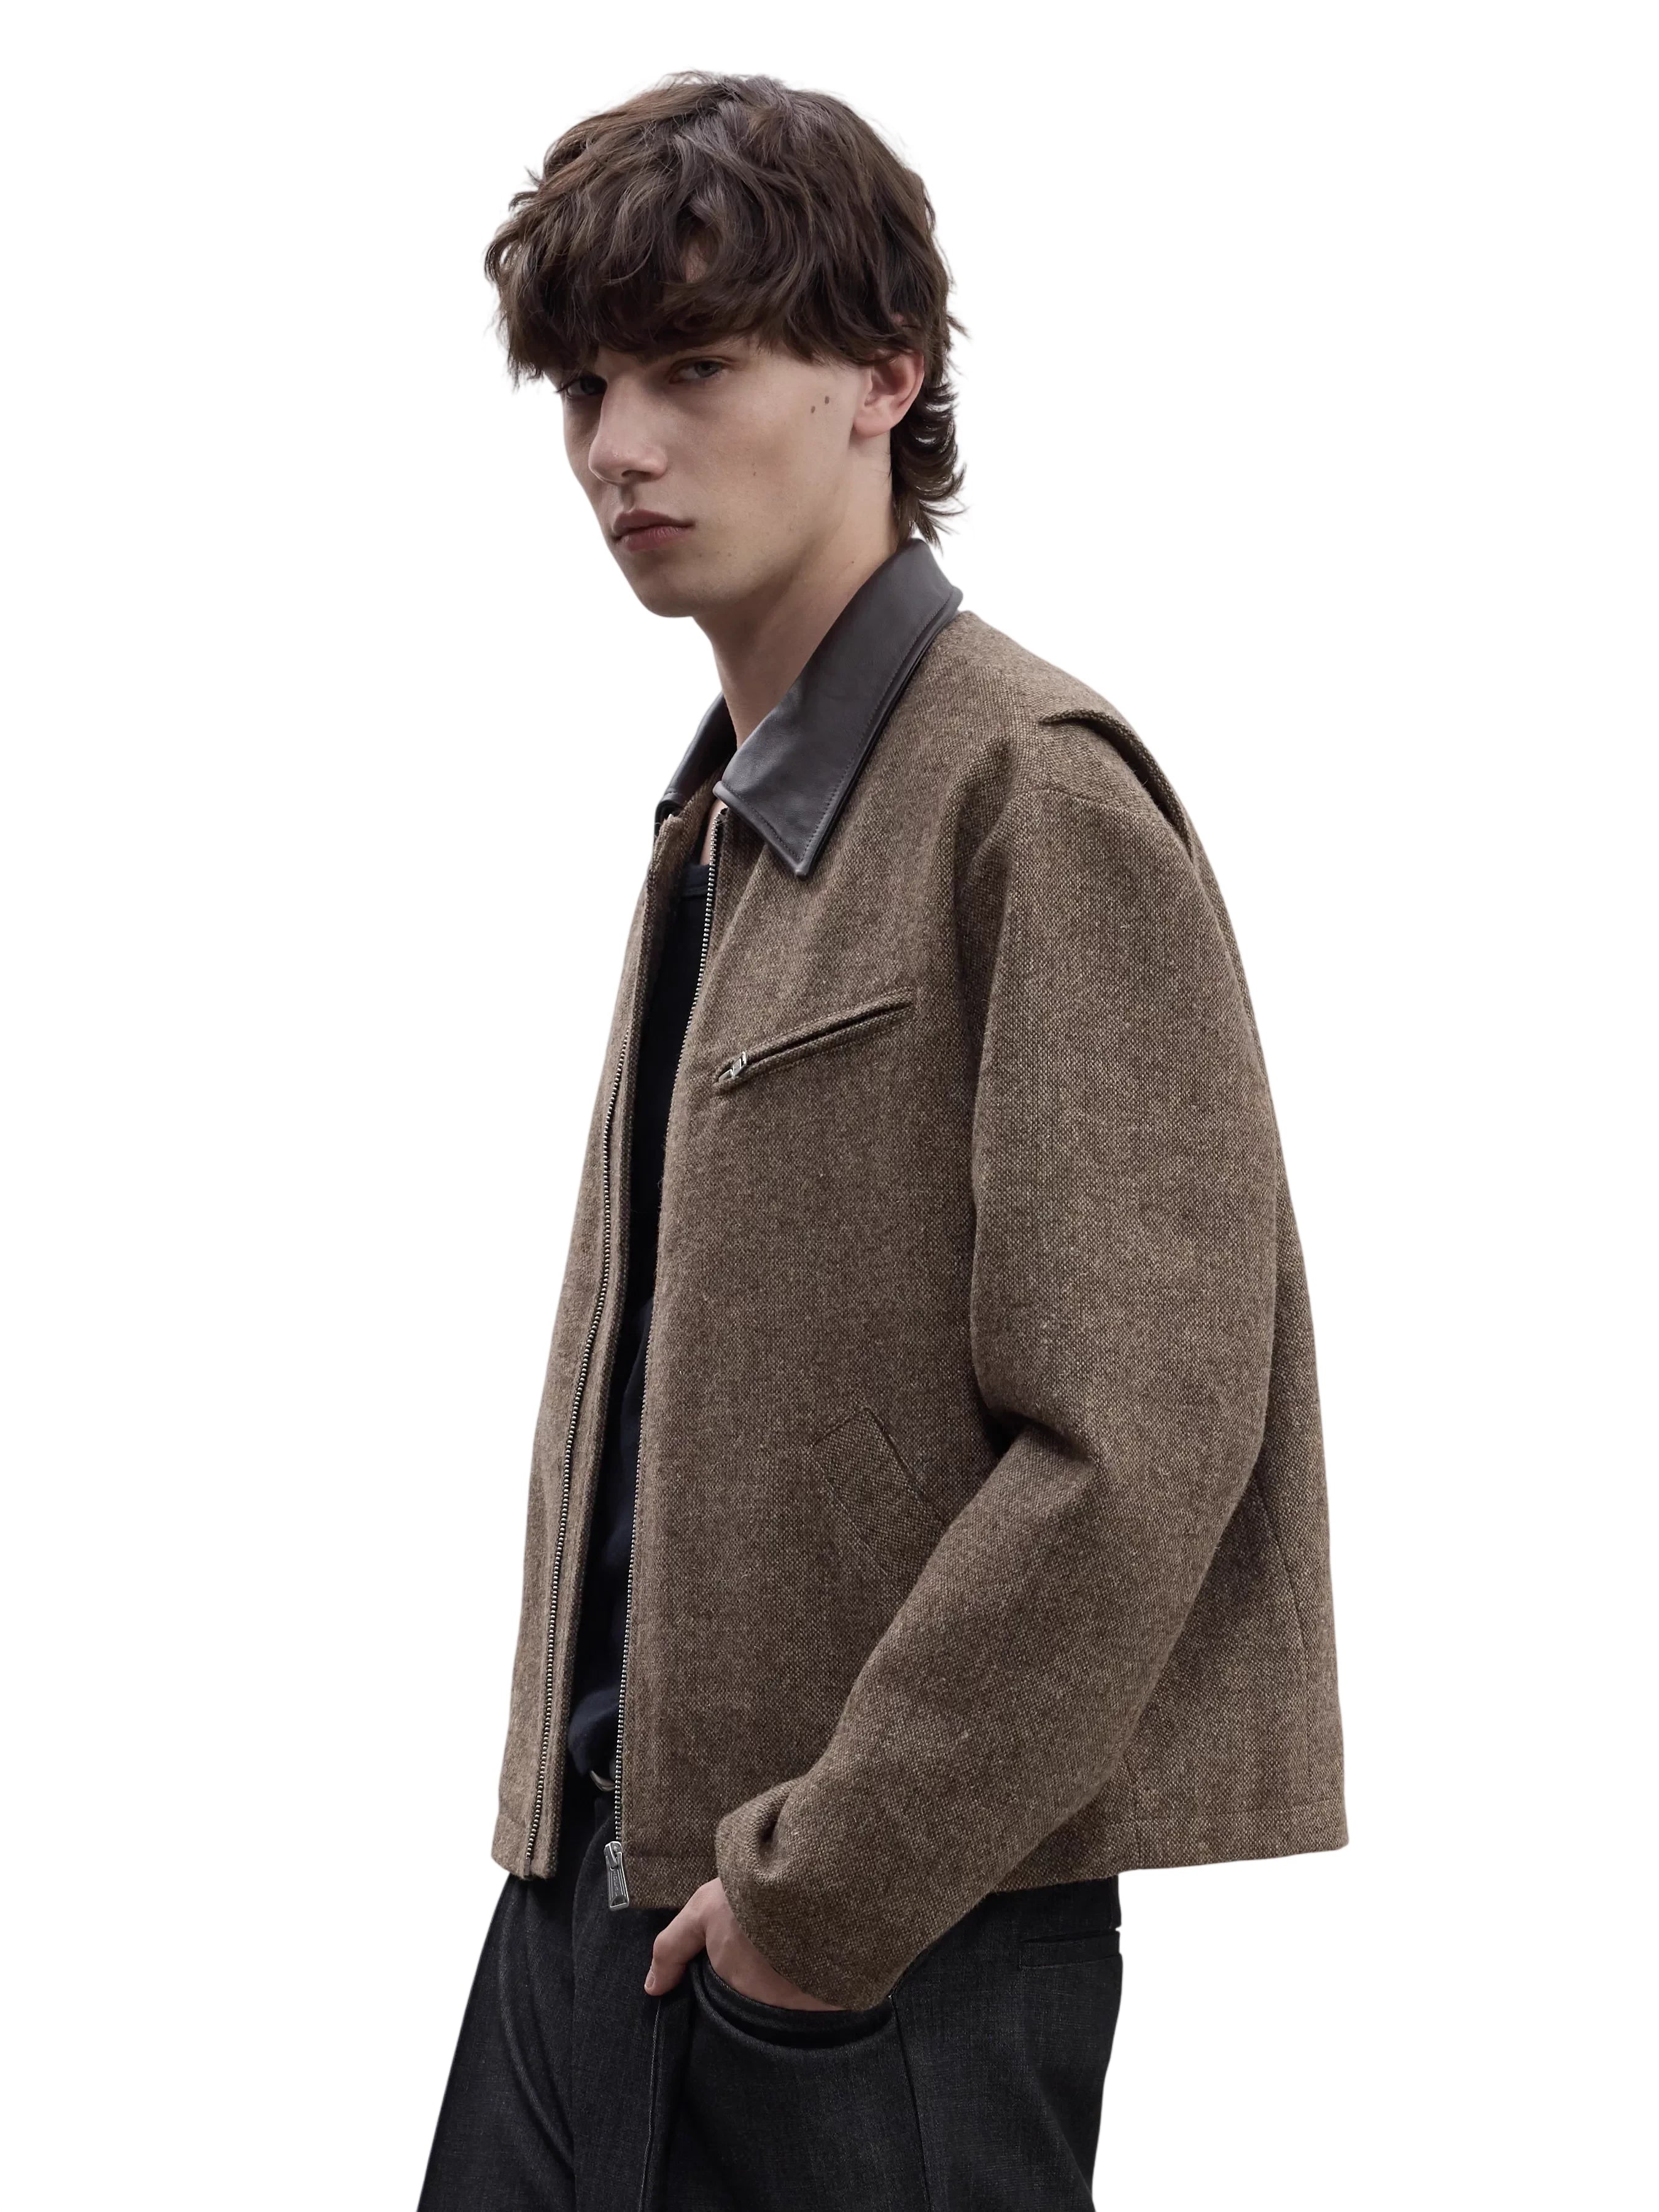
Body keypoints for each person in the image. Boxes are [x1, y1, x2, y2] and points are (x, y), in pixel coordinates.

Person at [419, 70, 1345, 2212]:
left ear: (885, 375)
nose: (619, 446)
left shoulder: (1031, 793)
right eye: (586, 386)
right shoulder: (715, 825)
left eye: (694, 368)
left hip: (875, 1969)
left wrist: (820, 1901)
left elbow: (1140, 1442)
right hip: (580, 1925)